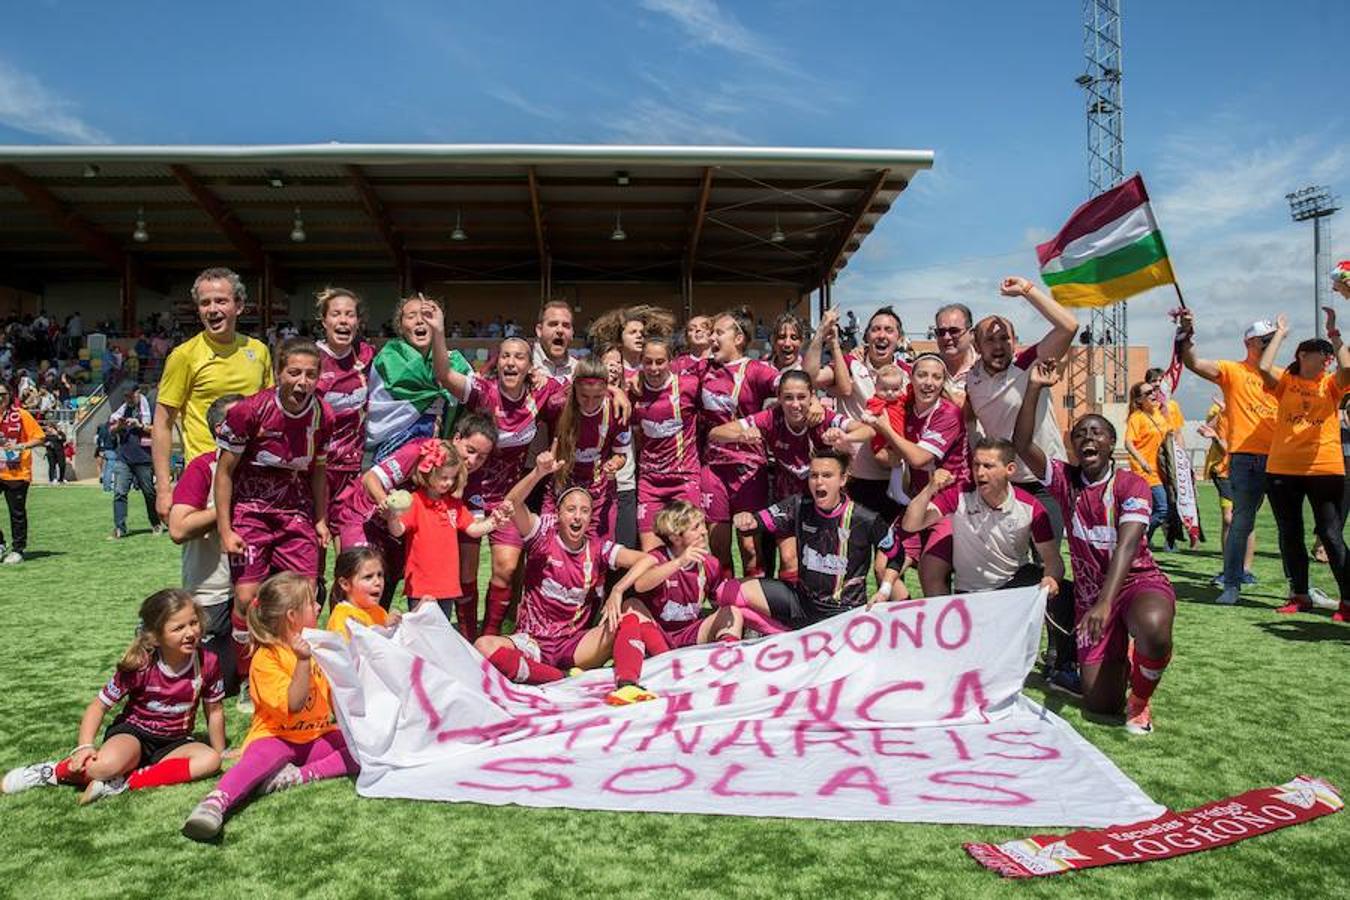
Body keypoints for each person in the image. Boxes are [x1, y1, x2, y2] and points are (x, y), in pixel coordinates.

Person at [1013, 360, 1174, 735]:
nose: (1088, 438)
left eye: (1098, 433)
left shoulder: (1130, 484)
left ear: (1111, 444)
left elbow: (1129, 544)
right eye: (1081, 433)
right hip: (1091, 598)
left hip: (1134, 585)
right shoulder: (1065, 480)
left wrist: (1106, 601)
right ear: (1072, 445)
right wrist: (1034, 387)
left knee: (1153, 626)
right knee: (1100, 705)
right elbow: (1020, 444)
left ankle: (1141, 700)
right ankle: (1120, 662)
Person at [1, 589, 225, 804]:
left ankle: (124, 782)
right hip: (134, 735)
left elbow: (214, 711)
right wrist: (84, 747)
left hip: (175, 741)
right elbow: (98, 707)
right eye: (178, 628)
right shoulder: (141, 665)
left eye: (194, 623)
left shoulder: (209, 662)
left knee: (210, 760)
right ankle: (52, 771)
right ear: (155, 637)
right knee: (103, 767)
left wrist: (220, 750)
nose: (190, 633)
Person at [182, 573, 359, 842]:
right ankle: (214, 804)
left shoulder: (318, 644)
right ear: (291, 616)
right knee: (258, 761)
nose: (318, 607)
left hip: (316, 736)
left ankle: (299, 776)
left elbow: (337, 695)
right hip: (276, 737)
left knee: (362, 749)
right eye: (311, 603)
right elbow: (295, 704)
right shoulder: (267, 657)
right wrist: (302, 661)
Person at [214, 338, 334, 688]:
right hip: (251, 510)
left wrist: (320, 518)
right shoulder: (248, 411)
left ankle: (301, 674)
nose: (302, 381)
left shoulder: (323, 415)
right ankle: (249, 676)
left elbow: (320, 472)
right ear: (278, 372)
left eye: (311, 375)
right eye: (294, 372)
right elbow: (223, 473)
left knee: (305, 597)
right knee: (248, 598)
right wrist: (225, 528)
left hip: (295, 510)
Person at [473, 451, 648, 684]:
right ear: (558, 513)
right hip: (533, 642)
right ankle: (557, 677)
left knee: (630, 614)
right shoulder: (543, 535)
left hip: (574, 646)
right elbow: (511, 503)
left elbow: (647, 560)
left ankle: (627, 684)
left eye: (584, 511)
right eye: (571, 510)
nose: (577, 517)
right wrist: (538, 473)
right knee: (483, 646)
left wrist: (617, 590)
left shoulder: (598, 548)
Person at [440, 338, 561, 636]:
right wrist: (438, 329)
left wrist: (615, 391)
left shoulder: (542, 391)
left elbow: (585, 387)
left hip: (509, 498)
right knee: (466, 573)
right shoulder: (483, 391)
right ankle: (468, 637)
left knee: (506, 569)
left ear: (529, 366)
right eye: (506, 356)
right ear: (499, 361)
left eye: (519, 357)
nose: (511, 362)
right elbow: (444, 374)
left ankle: (490, 636)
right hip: (468, 495)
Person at [334, 414, 496, 611]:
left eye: (482, 457)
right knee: (358, 584)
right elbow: (370, 479)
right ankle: (339, 635)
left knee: (379, 599)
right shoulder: (420, 451)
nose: (472, 461)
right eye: (470, 451)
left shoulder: (456, 475)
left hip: (398, 532)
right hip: (365, 519)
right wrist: (385, 504)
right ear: (457, 438)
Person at [153, 267, 273, 522]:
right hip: (206, 474)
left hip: (252, 472)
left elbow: (268, 416)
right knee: (210, 561)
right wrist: (163, 488)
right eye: (205, 302)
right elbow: (162, 423)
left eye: (221, 301)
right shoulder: (184, 356)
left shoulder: (259, 351)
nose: (212, 309)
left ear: (239, 306)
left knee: (253, 558)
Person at [964, 276, 1079, 540]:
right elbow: (969, 416)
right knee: (1009, 566)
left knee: (1047, 561)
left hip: (1045, 480)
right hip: (1004, 484)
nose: (998, 346)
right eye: (990, 340)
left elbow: (1069, 326)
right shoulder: (972, 379)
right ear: (977, 346)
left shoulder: (1028, 364)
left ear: (1014, 342)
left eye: (1005, 338)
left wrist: (1027, 291)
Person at [730, 449, 900, 630]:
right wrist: (745, 520)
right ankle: (781, 632)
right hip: (801, 603)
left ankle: (791, 633)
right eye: (814, 475)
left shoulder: (866, 519)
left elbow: (897, 555)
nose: (819, 482)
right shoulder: (798, 505)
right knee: (727, 593)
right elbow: (758, 522)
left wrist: (885, 590)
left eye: (827, 476)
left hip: (844, 612)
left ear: (842, 480)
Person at [1176, 310, 1278, 605]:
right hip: (1245, 459)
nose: (1271, 346)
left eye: (1273, 341)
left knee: (1288, 525)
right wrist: (1186, 335)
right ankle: (1232, 583)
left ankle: (1297, 590)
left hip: (1281, 459)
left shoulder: (1282, 374)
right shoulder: (1233, 370)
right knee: (1239, 521)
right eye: (1266, 341)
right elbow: (1193, 362)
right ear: (1250, 343)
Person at [600, 500, 744, 705]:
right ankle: (639, 675)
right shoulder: (657, 557)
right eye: (696, 528)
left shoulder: (709, 564)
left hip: (689, 633)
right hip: (657, 636)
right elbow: (641, 584)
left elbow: (718, 602)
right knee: (631, 605)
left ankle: (729, 668)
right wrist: (678, 563)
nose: (704, 531)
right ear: (676, 537)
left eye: (703, 525)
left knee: (732, 611)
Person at [1255, 312, 1350, 621]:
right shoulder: (1286, 381)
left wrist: (1334, 337)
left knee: (1330, 534)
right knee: (1290, 533)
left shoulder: (1332, 385)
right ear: (1303, 355)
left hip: (1325, 470)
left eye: (1329, 355)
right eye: (1322, 353)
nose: (1328, 359)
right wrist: (1280, 333)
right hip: (1282, 469)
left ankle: (1347, 601)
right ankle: (1300, 594)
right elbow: (1263, 367)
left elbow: (1347, 367)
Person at [862, 352, 969, 596]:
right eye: (922, 375)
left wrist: (887, 431)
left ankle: (940, 631)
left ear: (943, 382)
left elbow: (919, 458)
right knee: (882, 566)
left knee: (931, 571)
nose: (928, 382)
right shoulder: (906, 405)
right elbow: (885, 451)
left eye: (936, 377)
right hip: (918, 498)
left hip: (949, 499)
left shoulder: (948, 413)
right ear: (911, 379)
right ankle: (907, 623)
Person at [899, 441, 1063, 597]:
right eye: (976, 465)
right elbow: (910, 524)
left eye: (988, 466)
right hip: (970, 593)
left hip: (1013, 588)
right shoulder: (959, 496)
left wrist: (1051, 579)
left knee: (1064, 592)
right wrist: (929, 489)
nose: (979, 472)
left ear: (1010, 469)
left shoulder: (1030, 507)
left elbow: (1053, 560)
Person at [383, 439, 511, 630]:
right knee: (420, 636)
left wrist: (494, 522)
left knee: (441, 635)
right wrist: (392, 517)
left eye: (452, 477)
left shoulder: (454, 504)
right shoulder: (415, 501)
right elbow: (398, 530)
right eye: (444, 477)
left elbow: (473, 530)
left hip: (448, 587)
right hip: (420, 587)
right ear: (428, 473)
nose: (448, 482)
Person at [168, 394, 243, 698]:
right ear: (218, 430)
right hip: (214, 593)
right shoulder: (204, 467)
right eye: (236, 420)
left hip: (257, 591)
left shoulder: (269, 464)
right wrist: (226, 508)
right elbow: (178, 528)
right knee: (217, 684)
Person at [699, 308, 780, 575]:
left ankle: (754, 608)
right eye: (711, 332)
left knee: (750, 547)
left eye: (719, 332)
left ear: (739, 338)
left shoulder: (756, 370)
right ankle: (724, 605)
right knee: (718, 545)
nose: (712, 338)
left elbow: (791, 386)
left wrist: (811, 401)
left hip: (748, 469)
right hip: (713, 468)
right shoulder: (703, 369)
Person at [804, 306, 905, 517]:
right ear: (867, 335)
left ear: (900, 338)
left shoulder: (910, 373)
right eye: (876, 329)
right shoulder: (849, 364)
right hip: (855, 477)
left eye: (889, 330)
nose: (882, 335)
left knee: (891, 548)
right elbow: (809, 377)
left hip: (896, 477)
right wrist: (821, 333)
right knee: (851, 547)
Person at [366, 294, 471, 462]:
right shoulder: (387, 360)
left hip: (438, 453)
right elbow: (376, 409)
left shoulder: (455, 362)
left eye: (427, 315)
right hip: (394, 451)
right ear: (400, 326)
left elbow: (475, 397)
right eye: (411, 316)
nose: (419, 321)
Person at [541, 357, 630, 541]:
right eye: (584, 396)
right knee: (551, 550)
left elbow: (621, 454)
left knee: (597, 554)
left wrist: (615, 463)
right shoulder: (557, 404)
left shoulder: (617, 409)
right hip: (561, 487)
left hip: (599, 492)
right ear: (575, 389)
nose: (590, 403)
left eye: (597, 397)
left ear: (606, 390)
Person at [314, 288, 375, 555]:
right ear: (324, 320)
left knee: (351, 559)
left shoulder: (366, 356)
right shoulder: (310, 358)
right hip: (315, 472)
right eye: (336, 314)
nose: (343, 320)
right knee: (313, 559)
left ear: (358, 322)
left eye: (349, 315)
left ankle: (345, 598)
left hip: (351, 472)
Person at [629, 335, 702, 550]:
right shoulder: (634, 391)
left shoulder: (689, 386)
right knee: (651, 552)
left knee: (690, 547)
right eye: (648, 361)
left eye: (660, 361)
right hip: (650, 482)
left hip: (684, 478)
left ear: (670, 361)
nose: (653, 368)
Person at [1197, 396, 1256, 585]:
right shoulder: (1217, 409)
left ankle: (1246, 570)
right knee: (1229, 519)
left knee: (1247, 519)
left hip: (1247, 469)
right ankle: (1230, 568)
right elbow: (1207, 429)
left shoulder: (1251, 409)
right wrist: (1223, 411)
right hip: (1224, 473)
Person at [1125, 381, 1174, 550]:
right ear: (1139, 400)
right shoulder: (1136, 418)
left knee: (1155, 509)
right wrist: (1142, 461)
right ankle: (1139, 536)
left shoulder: (1160, 414)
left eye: (1154, 391)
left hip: (1162, 470)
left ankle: (1142, 543)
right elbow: (1128, 443)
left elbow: (1169, 437)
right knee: (1162, 509)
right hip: (1146, 471)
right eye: (1148, 393)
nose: (1153, 394)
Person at [109, 384, 162, 538]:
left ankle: (156, 523)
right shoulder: (123, 409)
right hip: (123, 457)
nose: (127, 399)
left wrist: (140, 425)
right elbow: (111, 429)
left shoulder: (150, 407)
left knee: (149, 492)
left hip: (143, 457)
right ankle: (120, 527)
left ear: (138, 393)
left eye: (130, 396)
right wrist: (119, 426)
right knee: (119, 492)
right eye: (125, 396)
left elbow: (158, 429)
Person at [0, 384, 43, 565]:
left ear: (9, 395)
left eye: (2, 394)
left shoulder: (21, 415)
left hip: (17, 471)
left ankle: (18, 549)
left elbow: (40, 437)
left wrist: (21, 446)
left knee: (16, 512)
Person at [326, 546, 401, 640]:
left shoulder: (379, 611)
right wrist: (384, 628)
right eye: (368, 577)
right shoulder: (344, 617)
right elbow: (352, 651)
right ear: (345, 584)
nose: (377, 582)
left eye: (380, 575)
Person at [933, 302, 978, 401]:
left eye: (954, 331)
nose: (947, 337)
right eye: (941, 332)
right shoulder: (927, 369)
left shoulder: (985, 368)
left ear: (971, 334)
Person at [533, 298, 578, 380]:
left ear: (572, 332)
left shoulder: (578, 371)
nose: (560, 330)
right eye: (553, 324)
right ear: (539, 330)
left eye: (566, 325)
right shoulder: (525, 366)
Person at [95, 419, 117, 492]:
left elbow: (100, 439)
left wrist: (101, 449)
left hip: (105, 449)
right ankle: (108, 487)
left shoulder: (103, 427)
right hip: (111, 449)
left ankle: (106, 486)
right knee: (110, 469)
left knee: (107, 469)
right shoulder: (110, 428)